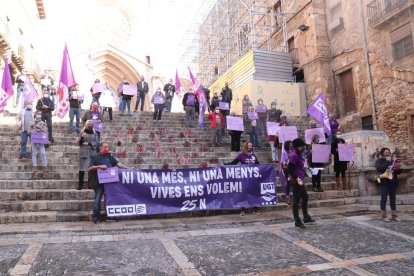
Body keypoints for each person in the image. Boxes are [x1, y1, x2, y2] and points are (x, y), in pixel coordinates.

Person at [88, 141, 130, 223]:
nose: (106, 148)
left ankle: (110, 216)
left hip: (110, 183)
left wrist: (129, 169)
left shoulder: (110, 157)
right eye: (104, 147)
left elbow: (119, 164)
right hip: (98, 182)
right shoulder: (95, 156)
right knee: (97, 199)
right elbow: (90, 168)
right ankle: (96, 217)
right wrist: (99, 166)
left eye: (107, 147)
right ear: (100, 148)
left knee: (110, 199)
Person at [226, 141, 260, 216]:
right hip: (244, 178)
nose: (250, 147)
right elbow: (234, 163)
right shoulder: (241, 155)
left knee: (253, 193)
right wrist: (225, 165)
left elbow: (258, 165)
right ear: (245, 147)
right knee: (243, 194)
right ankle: (242, 210)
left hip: (252, 178)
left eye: (251, 145)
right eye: (248, 146)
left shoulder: (253, 155)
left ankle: (255, 208)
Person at [287, 138, 315, 228]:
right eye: (302, 146)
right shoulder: (293, 155)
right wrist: (296, 179)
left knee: (305, 197)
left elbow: (299, 166)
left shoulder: (299, 154)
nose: (303, 147)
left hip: (300, 179)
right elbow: (289, 169)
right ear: (297, 146)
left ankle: (306, 216)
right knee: (296, 200)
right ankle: (297, 220)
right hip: (296, 180)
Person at [375, 147, 401, 222]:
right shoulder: (379, 161)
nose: (387, 154)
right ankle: (383, 216)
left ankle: (394, 215)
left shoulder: (392, 161)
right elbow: (380, 169)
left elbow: (397, 172)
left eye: (388, 153)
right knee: (384, 199)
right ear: (382, 153)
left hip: (392, 182)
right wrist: (387, 161)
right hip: (384, 182)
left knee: (393, 199)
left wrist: (399, 168)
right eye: (386, 153)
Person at [77, 120, 99, 190]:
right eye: (89, 124)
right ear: (86, 125)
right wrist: (82, 138)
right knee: (82, 168)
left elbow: (97, 142)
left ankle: (90, 184)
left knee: (91, 169)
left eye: (91, 124)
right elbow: (78, 142)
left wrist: (90, 144)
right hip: (84, 152)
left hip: (92, 152)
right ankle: (80, 185)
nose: (90, 125)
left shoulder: (95, 134)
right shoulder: (82, 132)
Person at [280, 140, 293, 204]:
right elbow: (283, 163)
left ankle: (296, 197)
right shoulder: (284, 153)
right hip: (286, 169)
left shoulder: (293, 152)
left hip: (293, 169)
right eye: (289, 145)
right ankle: (287, 197)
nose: (290, 146)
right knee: (288, 182)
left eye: (291, 144)